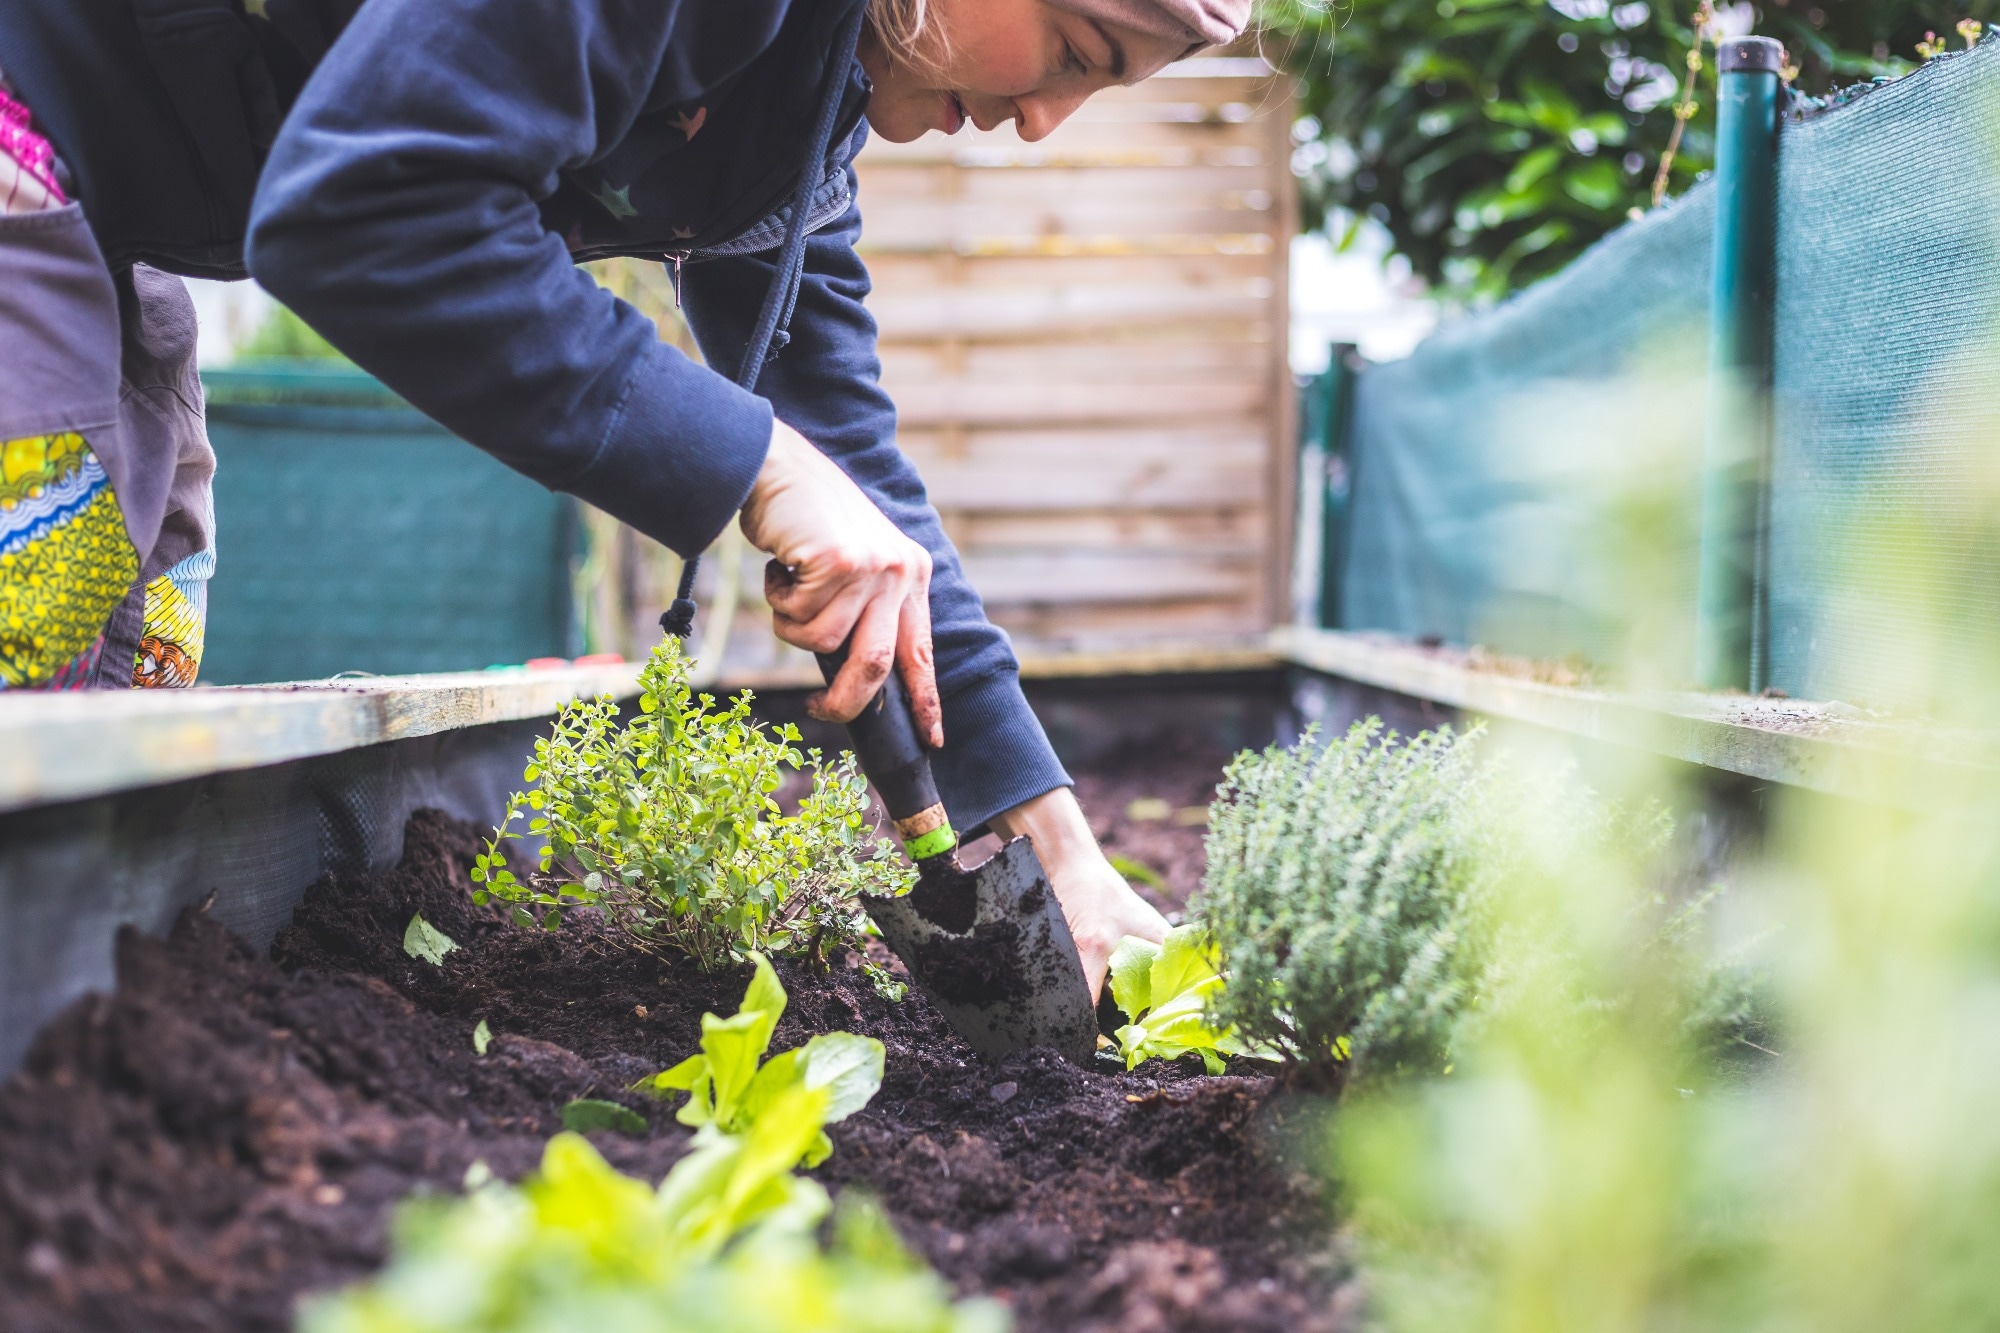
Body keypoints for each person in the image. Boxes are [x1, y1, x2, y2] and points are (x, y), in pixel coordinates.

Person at [0, 0, 1251, 992]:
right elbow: (366, 212)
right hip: (30, 108)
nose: (1047, 122)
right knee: (30, 650)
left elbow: (854, 478)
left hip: (115, 201)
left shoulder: (799, 101)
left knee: (120, 682)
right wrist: (758, 466)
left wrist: (1056, 846)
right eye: (1078, 50)